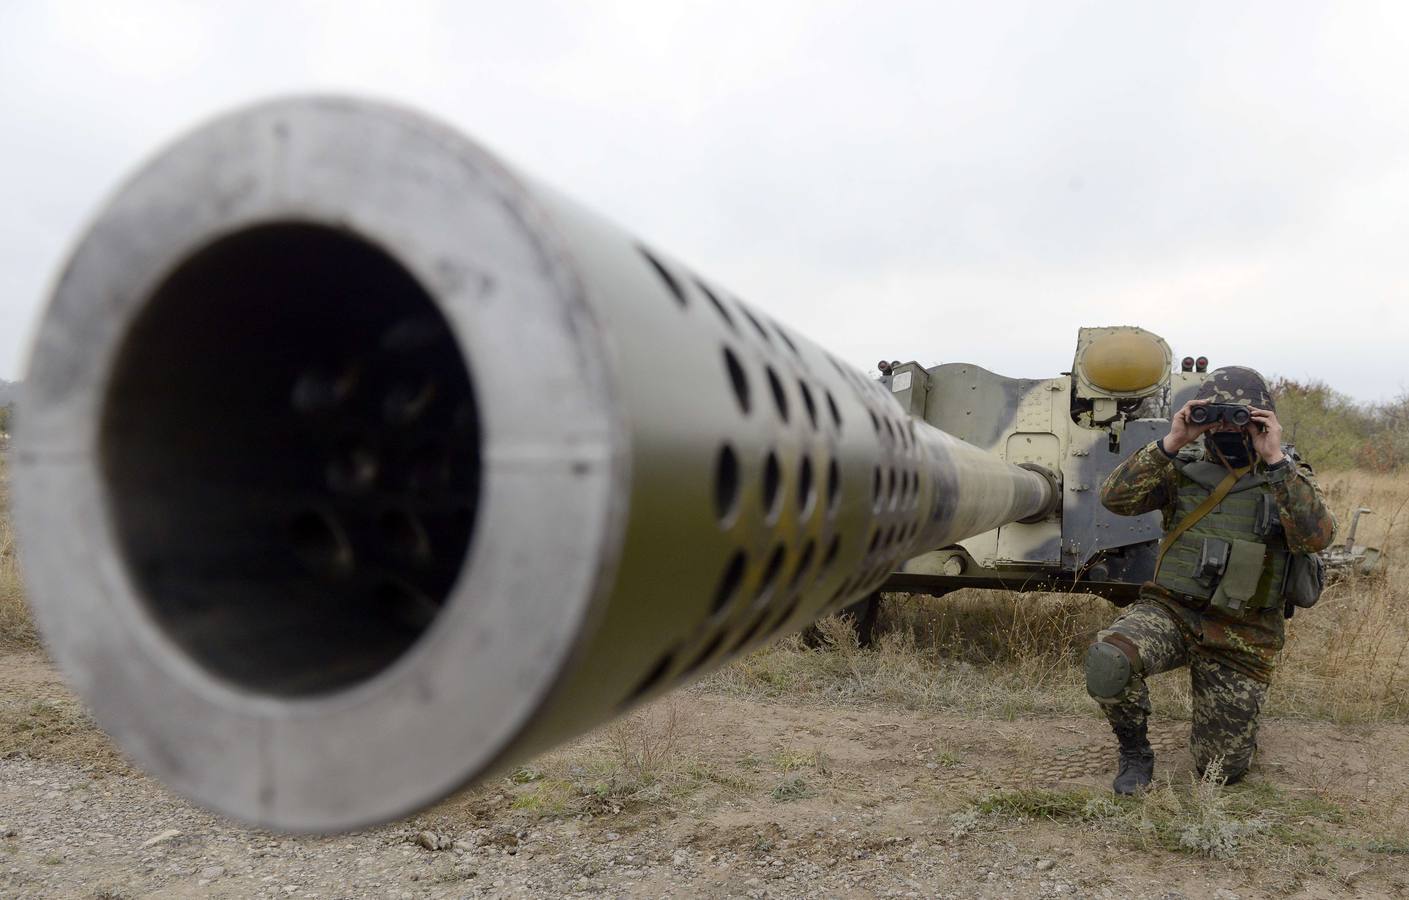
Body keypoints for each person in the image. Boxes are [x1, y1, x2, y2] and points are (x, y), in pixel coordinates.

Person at [1087, 366, 1336, 794]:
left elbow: (1318, 536)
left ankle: (1234, 729)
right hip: (1173, 612)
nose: (1225, 427)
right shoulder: (1179, 467)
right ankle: (1135, 754)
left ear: (1263, 418)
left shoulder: (1287, 477)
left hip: (1244, 632)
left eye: (1239, 416)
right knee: (1111, 658)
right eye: (1213, 415)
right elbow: (1114, 499)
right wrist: (1173, 440)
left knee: (1219, 770)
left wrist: (1274, 459)